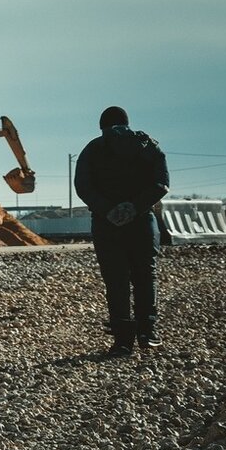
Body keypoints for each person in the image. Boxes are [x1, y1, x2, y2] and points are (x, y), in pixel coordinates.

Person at [74, 106, 170, 356]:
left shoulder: (93, 149)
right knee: (145, 276)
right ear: (127, 123)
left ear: (102, 126)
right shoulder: (147, 145)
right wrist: (135, 206)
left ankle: (122, 340)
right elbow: (162, 183)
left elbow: (83, 186)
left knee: (115, 279)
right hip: (142, 221)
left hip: (107, 225)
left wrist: (108, 210)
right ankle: (148, 332)